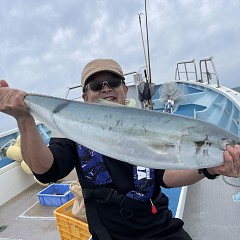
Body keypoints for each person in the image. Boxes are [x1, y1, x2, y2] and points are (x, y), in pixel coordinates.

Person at [0, 59, 240, 240]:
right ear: (85, 96)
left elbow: (166, 177)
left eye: (113, 82)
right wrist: (24, 119)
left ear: (125, 90)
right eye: (96, 85)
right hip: (110, 236)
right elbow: (46, 170)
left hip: (159, 227)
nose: (106, 89)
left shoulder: (150, 124)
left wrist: (209, 169)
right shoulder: (69, 131)